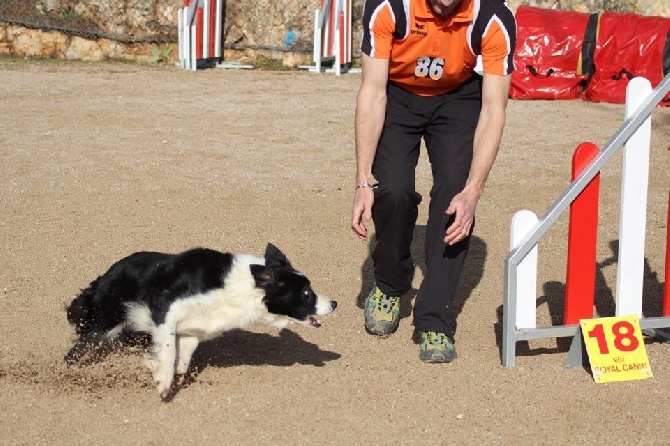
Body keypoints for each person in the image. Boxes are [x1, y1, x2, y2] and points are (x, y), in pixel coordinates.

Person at [350, 0, 516, 363]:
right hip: (397, 94)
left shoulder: (493, 18)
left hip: (459, 99)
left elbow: (494, 110)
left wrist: (473, 191)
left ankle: (435, 320)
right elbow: (372, 92)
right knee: (391, 190)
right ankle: (391, 285)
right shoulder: (390, 8)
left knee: (454, 198)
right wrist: (363, 181)